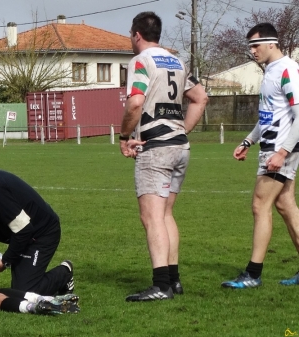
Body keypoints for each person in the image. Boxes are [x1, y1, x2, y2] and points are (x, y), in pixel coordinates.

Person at [119, 11, 208, 301]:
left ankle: (160, 286)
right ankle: (174, 280)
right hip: (180, 147)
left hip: (155, 149)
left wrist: (123, 137)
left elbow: (135, 103)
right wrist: (183, 129)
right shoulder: (176, 60)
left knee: (151, 217)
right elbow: (200, 97)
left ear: (136, 35)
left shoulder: (141, 61)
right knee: (166, 214)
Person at [221, 23, 299, 289]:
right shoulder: (270, 71)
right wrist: (248, 141)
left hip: (280, 149)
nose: (252, 51)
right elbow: (268, 116)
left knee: (259, 205)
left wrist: (282, 151)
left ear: (271, 43)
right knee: (285, 206)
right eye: (250, 47)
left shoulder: (287, 69)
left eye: (255, 46)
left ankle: (253, 274)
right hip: (271, 146)